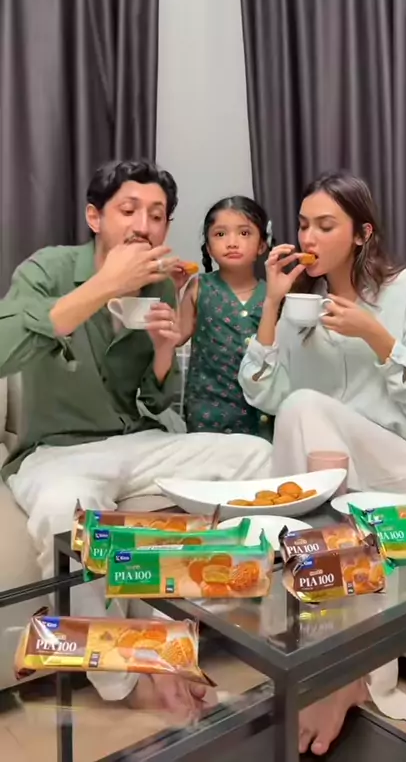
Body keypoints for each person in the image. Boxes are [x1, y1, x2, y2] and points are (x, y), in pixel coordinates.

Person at [0, 159, 272, 714]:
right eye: (129, 210)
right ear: (95, 217)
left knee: (258, 456)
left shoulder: (160, 286)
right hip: (59, 451)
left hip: (139, 442)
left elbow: (153, 400)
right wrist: (104, 287)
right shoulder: (50, 268)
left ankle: (209, 629)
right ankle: (129, 680)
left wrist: (166, 351)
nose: (143, 226)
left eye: (157, 215)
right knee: (65, 514)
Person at [238, 171, 406, 755]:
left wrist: (376, 336)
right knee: (300, 414)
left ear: (362, 234)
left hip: (401, 458)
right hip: (331, 467)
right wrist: (273, 302)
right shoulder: (301, 307)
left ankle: (334, 668)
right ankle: (332, 660)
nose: (309, 236)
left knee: (306, 408)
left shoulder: (405, 289)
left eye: (325, 225)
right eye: (303, 225)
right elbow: (263, 392)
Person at [179, 196, 273, 438]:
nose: (232, 243)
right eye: (220, 234)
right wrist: (169, 289)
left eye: (244, 233)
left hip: (260, 414)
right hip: (207, 415)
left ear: (262, 245)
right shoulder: (198, 287)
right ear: (209, 247)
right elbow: (175, 336)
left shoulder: (274, 295)